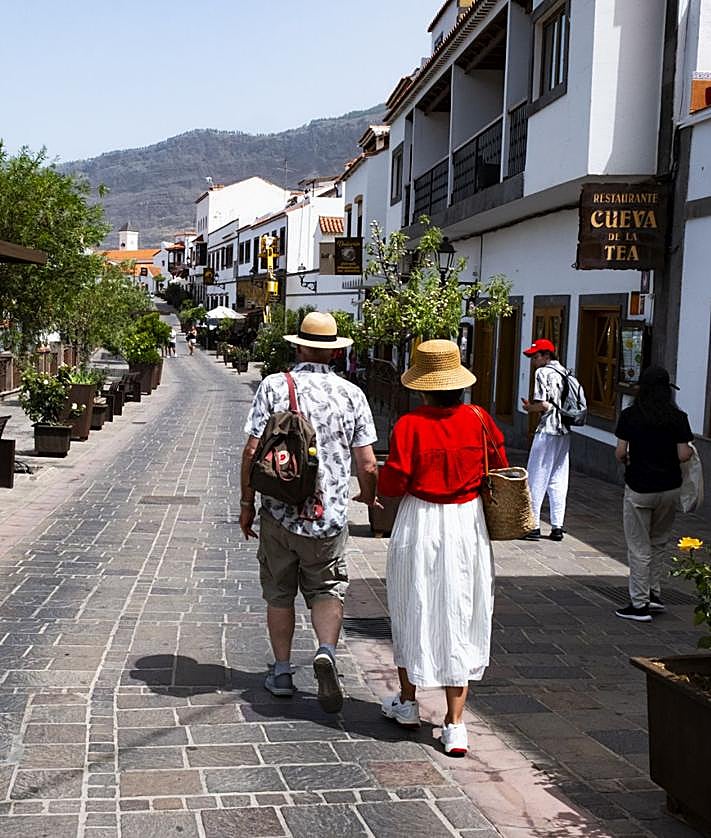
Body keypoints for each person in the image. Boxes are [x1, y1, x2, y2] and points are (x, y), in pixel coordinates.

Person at [240, 312, 379, 713]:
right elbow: (367, 463)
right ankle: (325, 652)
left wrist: (247, 503)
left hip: (279, 513)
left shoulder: (273, 387)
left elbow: (252, 451)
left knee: (279, 592)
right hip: (328, 516)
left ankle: (282, 671)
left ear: (298, 346)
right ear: (335, 353)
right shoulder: (352, 395)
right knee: (327, 588)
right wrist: (369, 500)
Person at [377, 340, 508, 757]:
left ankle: (408, 701)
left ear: (422, 386)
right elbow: (501, 467)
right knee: (461, 610)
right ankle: (455, 725)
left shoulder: (410, 425)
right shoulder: (479, 419)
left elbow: (394, 482)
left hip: (420, 520)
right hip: (467, 522)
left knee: (412, 604)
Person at [614, 366, 693, 621]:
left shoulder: (630, 415)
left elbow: (620, 453)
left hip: (639, 487)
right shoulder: (677, 417)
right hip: (669, 487)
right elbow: (683, 454)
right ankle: (653, 593)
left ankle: (639, 605)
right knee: (658, 542)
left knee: (638, 547)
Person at [521, 338, 571, 541]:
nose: (533, 360)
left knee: (537, 475)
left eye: (535, 356)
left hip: (548, 429)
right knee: (559, 477)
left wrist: (529, 408)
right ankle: (557, 526)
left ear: (546, 356)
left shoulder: (543, 373)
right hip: (564, 430)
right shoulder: (566, 372)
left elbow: (545, 405)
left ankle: (532, 526)